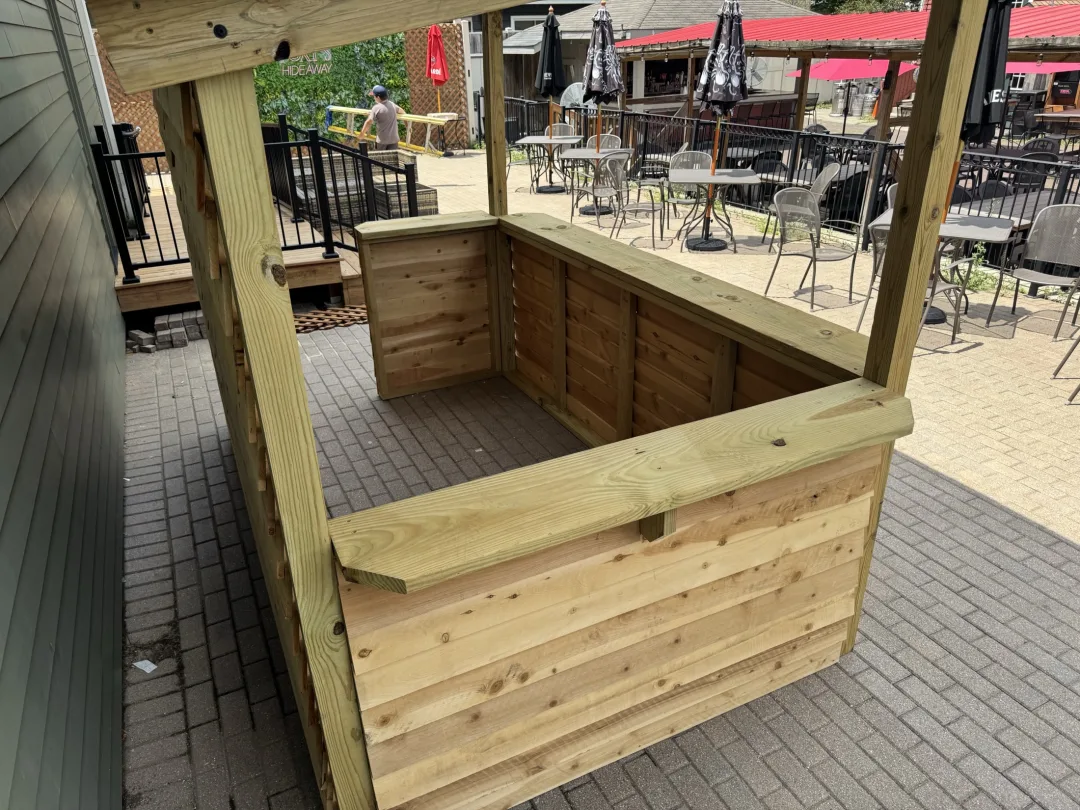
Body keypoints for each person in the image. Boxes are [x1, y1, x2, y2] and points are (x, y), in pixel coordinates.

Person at [360, 85, 405, 150]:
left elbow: (369, 121)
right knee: (393, 158)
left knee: (381, 158)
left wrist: (362, 133)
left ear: (378, 97)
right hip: (394, 140)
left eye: (374, 96)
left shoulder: (376, 108)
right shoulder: (392, 104)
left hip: (382, 141)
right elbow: (402, 111)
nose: (374, 98)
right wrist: (407, 125)